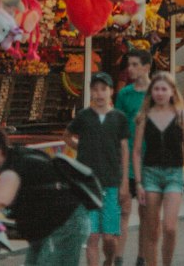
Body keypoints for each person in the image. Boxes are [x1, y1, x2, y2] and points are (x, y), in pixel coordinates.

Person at [0, 125, 92, 266]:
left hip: (64, 226)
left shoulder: (13, 167)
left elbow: (0, 200)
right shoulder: (17, 157)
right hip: (46, 228)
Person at [67, 73, 131, 266]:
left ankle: (109, 260)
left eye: (104, 89)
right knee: (92, 237)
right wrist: (83, 147)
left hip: (111, 183)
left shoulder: (119, 118)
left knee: (110, 237)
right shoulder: (83, 117)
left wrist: (125, 182)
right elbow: (67, 136)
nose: (99, 93)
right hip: (87, 184)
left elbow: (124, 150)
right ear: (90, 92)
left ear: (111, 92)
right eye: (95, 89)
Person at [134, 72, 184, 266]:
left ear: (172, 91)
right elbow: (136, 151)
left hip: (174, 174)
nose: (160, 93)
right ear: (151, 92)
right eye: (156, 89)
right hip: (150, 173)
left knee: (169, 227)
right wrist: (138, 182)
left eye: (164, 89)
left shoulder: (181, 115)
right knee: (151, 229)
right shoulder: (144, 116)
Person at [115, 50, 153, 266]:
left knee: (146, 213)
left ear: (147, 67)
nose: (130, 69)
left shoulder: (157, 93)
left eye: (135, 65)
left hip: (150, 160)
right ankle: (119, 258)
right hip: (127, 159)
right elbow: (118, 126)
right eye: (129, 65)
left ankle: (141, 257)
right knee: (124, 209)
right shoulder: (124, 94)